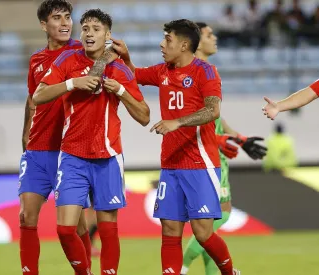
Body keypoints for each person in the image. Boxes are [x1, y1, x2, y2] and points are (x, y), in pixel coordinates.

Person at [111, 19, 240, 275]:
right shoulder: (163, 71)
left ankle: (229, 272)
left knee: (203, 233)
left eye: (167, 39)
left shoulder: (205, 71)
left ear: (183, 44)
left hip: (200, 165)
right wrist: (126, 58)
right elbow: (134, 75)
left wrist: (177, 122)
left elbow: (213, 110)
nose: (162, 44)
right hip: (170, 165)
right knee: (169, 230)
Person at [33, 9, 150, 275]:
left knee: (108, 230)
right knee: (64, 229)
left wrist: (119, 90)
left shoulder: (118, 69)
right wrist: (73, 83)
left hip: (107, 156)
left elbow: (144, 116)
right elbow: (39, 96)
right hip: (72, 156)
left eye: (96, 29)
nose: (89, 33)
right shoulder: (67, 60)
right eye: (85, 28)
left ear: (107, 35)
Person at [18, 2, 115, 275]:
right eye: (56, 17)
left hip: (67, 150)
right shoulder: (36, 59)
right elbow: (32, 97)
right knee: (26, 216)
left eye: (68, 17)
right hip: (37, 148)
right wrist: (25, 131)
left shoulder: (82, 51)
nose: (64, 23)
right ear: (43, 25)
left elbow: (105, 68)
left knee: (77, 226)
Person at [181, 22, 267, 275]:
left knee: (211, 221)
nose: (215, 37)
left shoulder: (207, 71)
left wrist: (240, 138)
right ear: (196, 41)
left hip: (213, 151)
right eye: (208, 34)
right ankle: (181, 268)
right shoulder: (194, 73)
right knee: (219, 217)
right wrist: (219, 142)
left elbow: (217, 118)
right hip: (208, 154)